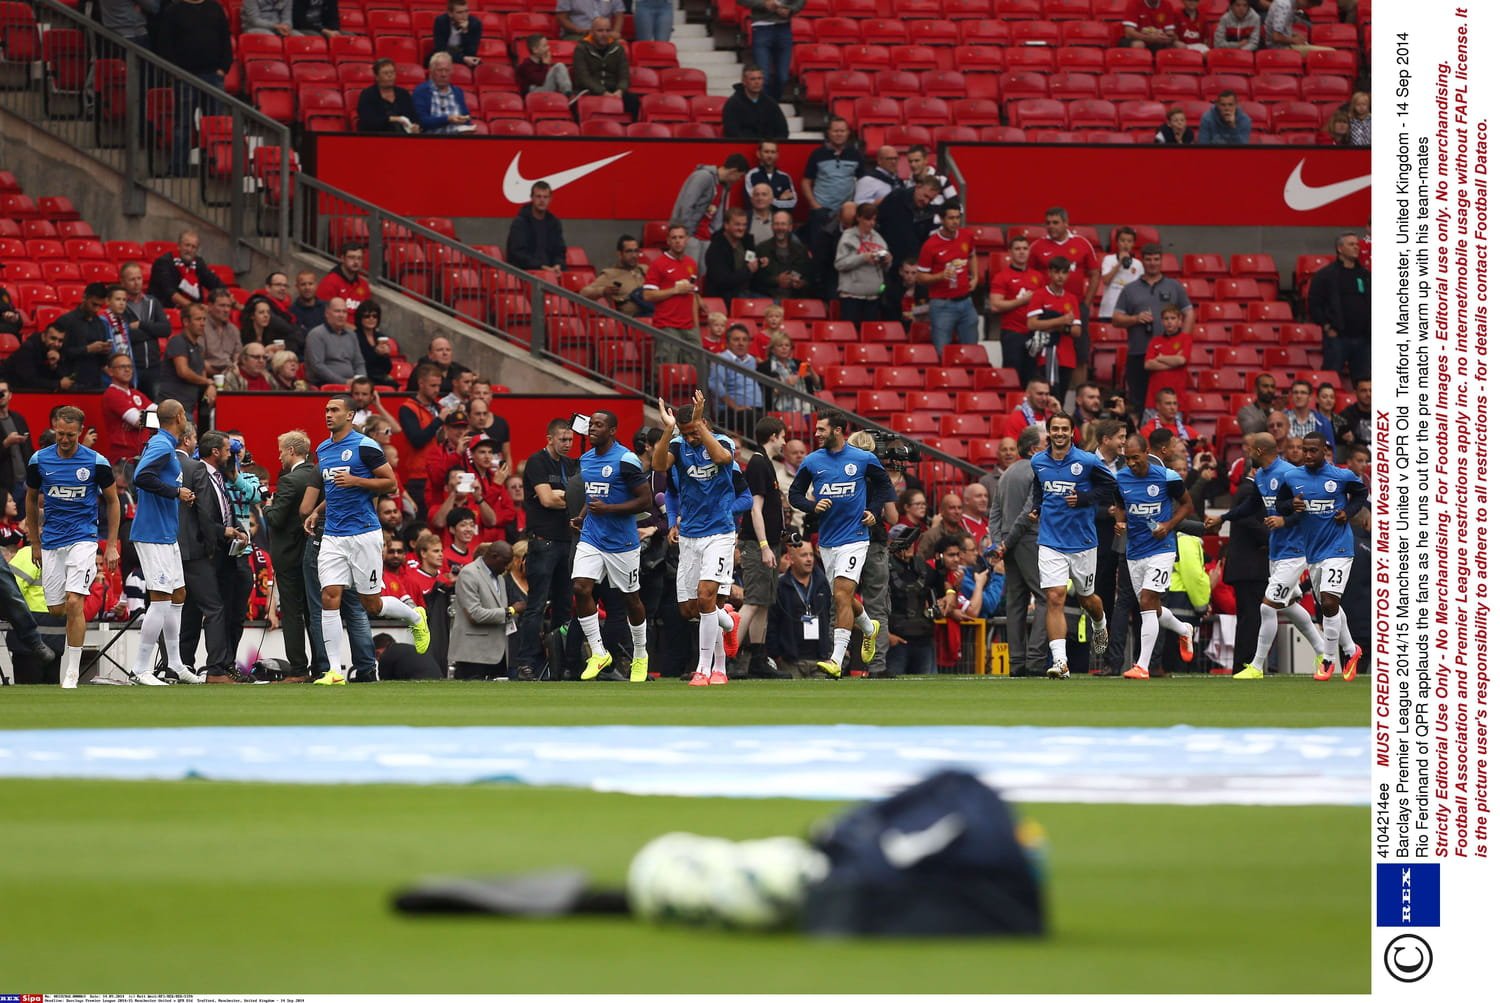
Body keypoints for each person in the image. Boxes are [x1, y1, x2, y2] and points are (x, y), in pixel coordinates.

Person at [305, 395, 430, 685]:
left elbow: (391, 484)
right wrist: (317, 511)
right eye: (326, 410)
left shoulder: (366, 446)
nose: (328, 414)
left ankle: (415, 617)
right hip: (333, 535)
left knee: (371, 604)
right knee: (329, 596)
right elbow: (335, 490)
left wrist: (357, 481)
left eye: (335, 410)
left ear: (350, 415)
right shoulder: (323, 449)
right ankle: (334, 671)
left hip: (363, 533)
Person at [1204, 431, 1326, 679]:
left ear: (1259, 451)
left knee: (1267, 606)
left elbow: (1306, 509)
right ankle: (1324, 652)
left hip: (1294, 551)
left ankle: (1256, 666)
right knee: (1289, 606)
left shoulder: (1290, 474)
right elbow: (1250, 506)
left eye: (1250, 450)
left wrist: (1284, 521)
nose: (1247, 454)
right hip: (1277, 551)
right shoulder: (1261, 476)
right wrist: (1223, 518)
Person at [787, 410, 892, 678]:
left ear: (837, 431)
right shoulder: (812, 461)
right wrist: (812, 506)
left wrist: (874, 511)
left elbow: (885, 488)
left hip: (855, 538)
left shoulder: (863, 459)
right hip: (827, 541)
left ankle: (835, 660)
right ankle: (868, 627)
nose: (816, 434)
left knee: (842, 595)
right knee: (841, 596)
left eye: (821, 429)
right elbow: (794, 495)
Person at [652, 392, 746, 685]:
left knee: (706, 597)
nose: (691, 438)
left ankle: (708, 669)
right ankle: (728, 621)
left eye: (694, 431)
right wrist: (669, 430)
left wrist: (699, 426)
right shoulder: (678, 446)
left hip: (719, 532)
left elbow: (722, 458)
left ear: (704, 424)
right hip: (690, 535)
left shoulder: (722, 442)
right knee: (691, 609)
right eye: (686, 433)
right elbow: (658, 466)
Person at [24, 406, 121, 688]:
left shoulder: (96, 462)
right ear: (54, 429)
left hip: (83, 538)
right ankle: (71, 651)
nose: (64, 439)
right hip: (52, 541)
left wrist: (111, 545)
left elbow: (113, 501)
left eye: (70, 435)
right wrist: (35, 542)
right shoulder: (39, 460)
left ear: (80, 432)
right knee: (57, 609)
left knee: (75, 601)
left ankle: (72, 671)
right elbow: (30, 499)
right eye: (60, 434)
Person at [1012, 415, 1113, 679]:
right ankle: (1061, 662)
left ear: (1071, 432)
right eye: (1055, 429)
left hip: (1082, 542)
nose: (1059, 433)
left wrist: (1084, 498)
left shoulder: (1087, 461)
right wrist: (1037, 507)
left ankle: (1100, 623)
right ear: (1049, 432)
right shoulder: (1038, 461)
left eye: (1064, 429)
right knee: (1054, 597)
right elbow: (1040, 486)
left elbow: (1110, 487)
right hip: (1050, 540)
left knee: (1087, 599)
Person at [121, 399, 199, 684]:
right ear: (178, 417)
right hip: (152, 534)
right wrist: (176, 493)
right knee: (162, 599)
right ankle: (140, 668)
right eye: (184, 414)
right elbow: (141, 476)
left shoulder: (164, 444)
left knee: (178, 594)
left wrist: (177, 493)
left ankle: (175, 663)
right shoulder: (162, 444)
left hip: (166, 533)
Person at [571, 410, 653, 682]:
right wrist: (581, 517)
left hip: (622, 542)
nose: (592, 429)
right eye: (591, 424)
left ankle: (640, 654)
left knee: (631, 599)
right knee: (581, 588)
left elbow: (645, 500)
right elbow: (593, 495)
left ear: (613, 430)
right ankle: (598, 652)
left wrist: (609, 509)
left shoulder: (626, 459)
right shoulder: (586, 459)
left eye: (599, 425)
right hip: (592, 537)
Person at [1110, 435, 1197, 679]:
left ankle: (1142, 666)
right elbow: (1120, 506)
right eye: (1127, 458)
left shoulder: (1167, 477)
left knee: (1148, 600)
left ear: (1147, 452)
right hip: (1135, 551)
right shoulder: (1121, 479)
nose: (1131, 463)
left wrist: (1168, 525)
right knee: (1151, 607)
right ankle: (1184, 629)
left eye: (1135, 458)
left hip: (1162, 549)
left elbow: (1187, 505)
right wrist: (1119, 522)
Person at [1283, 432, 1367, 681]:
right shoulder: (1292, 476)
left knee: (1329, 602)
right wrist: (1291, 505)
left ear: (1325, 452)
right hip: (1314, 550)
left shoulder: (1341, 476)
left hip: (1339, 547)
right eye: (1305, 450)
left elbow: (1361, 494)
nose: (1308, 455)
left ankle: (1328, 659)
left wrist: (1348, 512)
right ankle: (1351, 650)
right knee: (1329, 605)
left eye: (1313, 450)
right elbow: (1280, 504)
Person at [511, 418, 577, 677]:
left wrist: (563, 497)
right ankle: (526, 662)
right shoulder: (537, 461)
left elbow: (579, 499)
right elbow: (548, 500)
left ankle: (560, 662)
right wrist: (568, 498)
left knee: (564, 605)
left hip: (566, 540)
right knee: (537, 605)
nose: (567, 444)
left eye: (570, 439)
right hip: (543, 540)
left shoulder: (570, 464)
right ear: (549, 438)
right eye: (563, 439)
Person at [733, 417, 790, 679]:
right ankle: (728, 657)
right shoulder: (758, 463)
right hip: (758, 544)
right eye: (783, 436)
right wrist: (764, 546)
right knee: (753, 600)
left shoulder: (765, 462)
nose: (784, 442)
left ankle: (758, 658)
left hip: (769, 543)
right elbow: (754, 509)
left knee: (763, 602)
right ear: (773, 436)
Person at [1112, 244, 1194, 409]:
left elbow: (1190, 313)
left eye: (1156, 259)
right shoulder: (1130, 289)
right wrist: (1136, 318)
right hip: (1139, 353)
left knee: (1168, 404)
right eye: (1148, 259)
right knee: (1138, 404)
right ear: (1142, 261)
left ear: (1161, 261)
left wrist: (1182, 341)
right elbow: (1116, 319)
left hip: (1168, 356)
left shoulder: (1174, 286)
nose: (1152, 263)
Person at [265, 430, 319, 680]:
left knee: (293, 613)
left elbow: (276, 519)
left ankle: (298, 669)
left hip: (289, 556)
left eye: (280, 451)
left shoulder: (290, 481)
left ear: (291, 451)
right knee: (314, 613)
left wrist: (268, 506)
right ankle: (321, 667)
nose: (279, 457)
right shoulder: (317, 475)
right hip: (314, 553)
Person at [451, 541, 523, 680]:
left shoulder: (500, 578)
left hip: (498, 652)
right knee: (470, 693)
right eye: (505, 563)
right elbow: (474, 614)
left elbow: (497, 610)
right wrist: (511, 610)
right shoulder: (469, 573)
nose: (506, 568)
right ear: (494, 556)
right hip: (473, 654)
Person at [1307, 232, 1372, 386]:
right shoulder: (1325, 275)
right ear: (1340, 248)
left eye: (1357, 244)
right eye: (1351, 244)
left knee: (1364, 383)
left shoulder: (1365, 275)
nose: (1356, 247)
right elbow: (1314, 304)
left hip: (1363, 339)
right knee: (1330, 380)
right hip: (1337, 338)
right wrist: (1326, 326)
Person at [915, 203, 979, 354]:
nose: (955, 222)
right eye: (951, 218)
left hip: (966, 302)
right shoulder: (930, 245)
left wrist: (975, 277)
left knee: (972, 352)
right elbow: (920, 277)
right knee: (942, 352)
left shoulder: (966, 236)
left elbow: (972, 255)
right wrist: (940, 276)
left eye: (957, 217)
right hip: (942, 305)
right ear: (942, 219)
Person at [764, 538, 832, 676]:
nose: (809, 559)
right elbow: (772, 622)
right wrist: (776, 654)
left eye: (811, 554)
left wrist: (831, 651)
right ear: (791, 558)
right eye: (804, 555)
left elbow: (832, 617)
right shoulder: (780, 586)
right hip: (790, 661)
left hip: (820, 659)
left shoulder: (823, 584)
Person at [672, 154, 750, 268]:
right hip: (691, 235)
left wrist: (713, 233)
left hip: (706, 237)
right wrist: (685, 234)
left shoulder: (724, 187)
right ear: (733, 171)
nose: (739, 180)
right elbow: (686, 205)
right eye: (740, 176)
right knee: (689, 273)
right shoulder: (703, 177)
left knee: (704, 274)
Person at [1026, 257, 1084, 401]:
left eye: (1064, 272)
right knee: (1048, 397)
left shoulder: (1071, 298)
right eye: (1057, 272)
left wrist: (1056, 326)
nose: (1060, 276)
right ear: (1050, 273)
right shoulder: (1040, 295)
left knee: (1061, 399)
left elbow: (1077, 331)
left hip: (1067, 356)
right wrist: (1061, 321)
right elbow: (1032, 324)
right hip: (1046, 355)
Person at [642, 224, 700, 356]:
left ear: (687, 239)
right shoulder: (658, 264)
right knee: (668, 364)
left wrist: (696, 327)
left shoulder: (691, 263)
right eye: (674, 238)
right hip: (666, 325)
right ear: (668, 241)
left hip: (689, 327)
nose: (678, 241)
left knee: (695, 364)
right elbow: (647, 295)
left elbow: (693, 297)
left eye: (681, 237)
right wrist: (675, 290)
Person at [157, 303, 217, 425]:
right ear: (186, 321)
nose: (202, 323)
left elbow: (203, 377)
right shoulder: (177, 341)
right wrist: (208, 382)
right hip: (171, 409)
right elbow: (183, 371)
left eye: (204, 319)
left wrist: (210, 386)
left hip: (187, 409)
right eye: (198, 319)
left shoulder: (199, 348)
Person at [833, 203, 890, 328]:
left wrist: (887, 261)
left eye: (874, 219)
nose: (871, 223)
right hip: (852, 297)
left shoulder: (878, 238)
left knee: (870, 334)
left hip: (873, 297)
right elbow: (839, 264)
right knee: (851, 333)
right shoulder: (847, 237)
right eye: (868, 219)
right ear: (859, 218)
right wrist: (863, 258)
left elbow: (886, 267)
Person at [120, 262, 170, 397]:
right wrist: (153, 332)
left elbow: (165, 329)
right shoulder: (120, 305)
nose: (136, 283)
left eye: (139, 278)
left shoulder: (152, 302)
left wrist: (142, 325)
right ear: (123, 282)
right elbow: (127, 335)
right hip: (131, 368)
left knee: (155, 407)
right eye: (132, 279)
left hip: (154, 367)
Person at [738, 0, 803, 103]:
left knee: (783, 77)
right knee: (764, 77)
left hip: (784, 28)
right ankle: (766, 106)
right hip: (761, 28)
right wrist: (763, 4)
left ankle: (771, 104)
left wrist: (790, 10)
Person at [572, 17, 636, 116]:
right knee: (578, 106)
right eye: (600, 31)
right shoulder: (581, 48)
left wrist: (620, 90)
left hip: (614, 91)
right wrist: (603, 92)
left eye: (607, 30)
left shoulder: (618, 48)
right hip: (589, 91)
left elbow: (624, 75)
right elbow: (583, 78)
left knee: (633, 101)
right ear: (592, 32)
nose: (604, 34)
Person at [708, 323, 762, 436]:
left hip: (754, 409)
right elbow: (715, 385)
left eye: (744, 340)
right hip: (730, 412)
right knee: (753, 420)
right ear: (728, 343)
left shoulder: (751, 360)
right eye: (736, 339)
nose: (741, 343)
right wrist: (735, 406)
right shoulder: (722, 359)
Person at [148, 230, 224, 309]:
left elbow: (215, 283)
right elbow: (170, 293)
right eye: (187, 245)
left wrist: (228, 298)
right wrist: (196, 308)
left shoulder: (199, 263)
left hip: (192, 311)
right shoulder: (163, 262)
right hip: (164, 309)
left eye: (193, 247)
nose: (189, 250)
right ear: (179, 246)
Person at [506, 181, 568, 276]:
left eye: (545, 197)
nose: (542, 200)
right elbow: (518, 254)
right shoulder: (520, 223)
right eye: (538, 196)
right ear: (532, 198)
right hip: (524, 274)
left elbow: (560, 251)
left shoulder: (554, 223)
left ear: (550, 199)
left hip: (551, 274)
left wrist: (558, 265)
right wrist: (541, 267)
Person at [100, 354, 153, 464]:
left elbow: (165, 415)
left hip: (142, 456)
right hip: (124, 459)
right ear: (110, 371)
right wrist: (141, 420)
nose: (127, 370)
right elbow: (139, 422)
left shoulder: (136, 393)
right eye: (122, 367)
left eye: (130, 366)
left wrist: (142, 416)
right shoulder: (112, 394)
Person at [703, 208, 763, 303]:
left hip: (748, 292)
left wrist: (759, 262)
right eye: (737, 224)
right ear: (726, 225)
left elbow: (751, 262)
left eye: (744, 225)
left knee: (773, 305)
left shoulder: (747, 241)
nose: (741, 228)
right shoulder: (716, 249)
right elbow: (722, 281)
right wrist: (748, 270)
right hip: (724, 297)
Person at [752, 210, 813, 301]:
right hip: (767, 299)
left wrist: (802, 283)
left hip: (794, 299)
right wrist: (776, 280)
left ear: (790, 227)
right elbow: (754, 280)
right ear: (772, 226)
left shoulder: (801, 250)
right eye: (776, 224)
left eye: (783, 224)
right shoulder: (761, 249)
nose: (780, 227)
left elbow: (809, 277)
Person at [305, 297, 366, 387]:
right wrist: (344, 382)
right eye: (337, 311)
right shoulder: (316, 335)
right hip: (325, 385)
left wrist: (361, 381)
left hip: (352, 385)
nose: (341, 315)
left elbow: (359, 363)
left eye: (344, 312)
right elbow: (318, 366)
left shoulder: (352, 335)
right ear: (327, 314)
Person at [580, 235, 646, 316]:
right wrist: (603, 291)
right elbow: (583, 293)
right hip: (631, 319)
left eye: (636, 251)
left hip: (653, 315)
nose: (634, 255)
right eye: (629, 251)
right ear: (620, 254)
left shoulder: (645, 269)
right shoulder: (610, 274)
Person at [412, 52, 473, 135]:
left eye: (447, 70)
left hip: (456, 140)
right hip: (431, 140)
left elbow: (466, 118)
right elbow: (421, 121)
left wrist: (468, 127)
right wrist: (448, 119)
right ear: (431, 71)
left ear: (451, 71)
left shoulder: (457, 92)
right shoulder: (421, 91)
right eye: (440, 70)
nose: (444, 74)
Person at [722, 64, 788, 140]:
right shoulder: (732, 104)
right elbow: (732, 133)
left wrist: (771, 143)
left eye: (759, 78)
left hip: (769, 145)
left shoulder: (771, 103)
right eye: (752, 79)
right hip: (743, 145)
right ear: (744, 81)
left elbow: (783, 131)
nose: (757, 82)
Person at [758, 332, 820, 414]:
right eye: (780, 345)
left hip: (805, 409)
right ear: (772, 349)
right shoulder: (764, 368)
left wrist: (811, 371)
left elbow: (817, 385)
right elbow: (767, 396)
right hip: (779, 411)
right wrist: (786, 385)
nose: (784, 348)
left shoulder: (798, 364)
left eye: (787, 345)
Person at [357, 57, 421, 133]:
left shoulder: (403, 94)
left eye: (392, 72)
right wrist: (393, 119)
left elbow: (413, 117)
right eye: (385, 73)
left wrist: (415, 126)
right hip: (378, 136)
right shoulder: (368, 95)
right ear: (377, 77)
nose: (390, 76)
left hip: (404, 136)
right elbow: (368, 122)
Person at [350, 302, 395, 388]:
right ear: (360, 318)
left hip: (380, 377)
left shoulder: (380, 337)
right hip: (364, 377)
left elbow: (388, 368)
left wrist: (385, 355)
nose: (371, 319)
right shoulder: (354, 336)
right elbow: (359, 363)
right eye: (367, 316)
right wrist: (376, 353)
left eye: (375, 316)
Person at [745, 140, 797, 212]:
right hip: (758, 218)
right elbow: (753, 202)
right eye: (766, 152)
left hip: (780, 218)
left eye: (773, 152)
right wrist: (780, 199)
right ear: (758, 154)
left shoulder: (785, 177)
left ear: (777, 155)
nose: (770, 155)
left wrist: (765, 200)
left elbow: (792, 203)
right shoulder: (751, 175)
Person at [202, 288, 240, 377]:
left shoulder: (233, 329)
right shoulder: (201, 327)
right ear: (210, 306)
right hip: (208, 375)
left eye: (229, 306)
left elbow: (237, 357)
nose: (226, 310)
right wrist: (222, 375)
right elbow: (199, 361)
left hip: (231, 374)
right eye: (222, 306)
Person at [432, 0, 483, 66]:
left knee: (479, 65)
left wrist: (465, 31)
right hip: (444, 56)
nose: (464, 15)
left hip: (465, 57)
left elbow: (471, 52)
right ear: (450, 13)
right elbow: (440, 49)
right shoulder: (441, 22)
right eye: (460, 12)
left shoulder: (475, 24)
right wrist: (462, 59)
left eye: (466, 11)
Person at [556, 0, 622, 39]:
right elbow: (561, 18)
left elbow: (619, 14)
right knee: (587, 45)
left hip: (605, 34)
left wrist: (616, 32)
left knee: (620, 46)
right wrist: (579, 31)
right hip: (577, 34)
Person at [289, 270, 325, 340]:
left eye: (310, 284)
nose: (307, 288)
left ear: (316, 285)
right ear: (297, 287)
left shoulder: (327, 308)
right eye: (303, 284)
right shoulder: (291, 312)